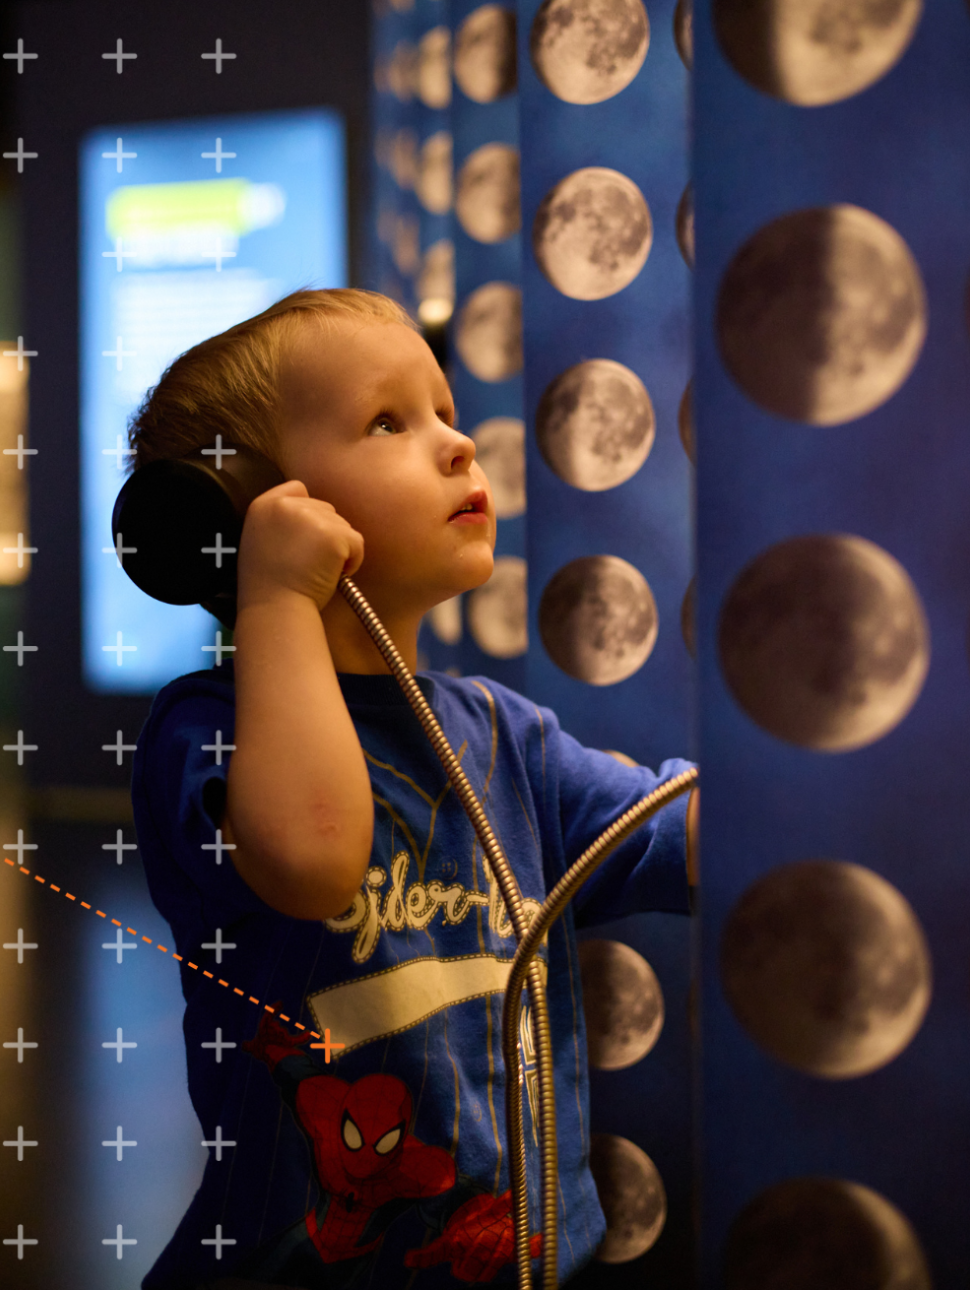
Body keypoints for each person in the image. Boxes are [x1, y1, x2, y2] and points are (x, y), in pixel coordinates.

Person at [129, 288, 699, 1290]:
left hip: (518, 1259)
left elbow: (670, 837)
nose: (456, 445)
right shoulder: (206, 735)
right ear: (251, 514)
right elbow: (312, 855)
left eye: (443, 410)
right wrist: (277, 597)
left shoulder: (502, 739)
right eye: (387, 422)